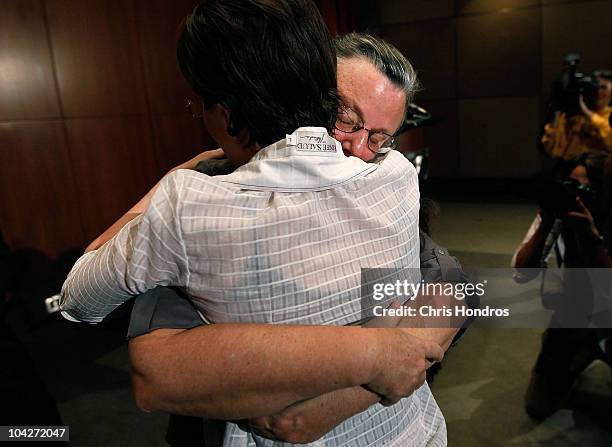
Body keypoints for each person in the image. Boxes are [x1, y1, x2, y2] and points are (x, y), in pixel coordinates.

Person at [60, 3, 448, 447]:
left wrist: (175, 179)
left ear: (222, 115)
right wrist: (379, 359)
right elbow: (158, 373)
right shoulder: (396, 174)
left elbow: (78, 301)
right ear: (316, 90)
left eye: (378, 137)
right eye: (345, 117)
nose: (358, 149)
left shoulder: (187, 205)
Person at [512, 152, 612, 420]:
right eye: (571, 185)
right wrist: (547, 221)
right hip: (575, 316)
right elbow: (522, 272)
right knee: (537, 406)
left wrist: (591, 237)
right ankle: (576, 355)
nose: (575, 195)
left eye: (585, 188)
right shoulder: (561, 211)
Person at [541, 70, 612, 160]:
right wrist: (556, 109)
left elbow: (610, 142)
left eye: (603, 88)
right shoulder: (571, 116)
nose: (598, 91)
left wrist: (587, 113)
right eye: (594, 87)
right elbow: (551, 149)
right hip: (570, 169)